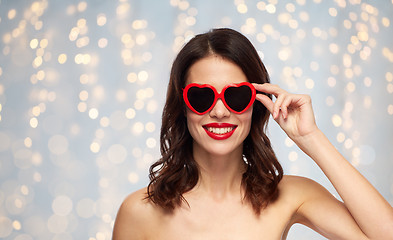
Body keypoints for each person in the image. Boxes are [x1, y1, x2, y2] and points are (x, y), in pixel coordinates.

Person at [112, 28, 393, 239]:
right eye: (202, 97)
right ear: (183, 107)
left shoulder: (291, 195)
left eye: (235, 96)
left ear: (256, 104)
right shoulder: (139, 211)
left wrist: (311, 138)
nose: (220, 111)